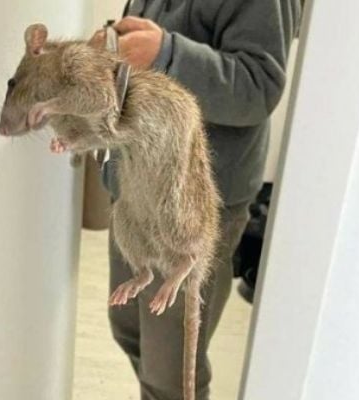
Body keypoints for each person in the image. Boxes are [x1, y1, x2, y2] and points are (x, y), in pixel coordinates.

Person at [98, 0, 301, 399]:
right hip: (139, 190)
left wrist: (166, 54)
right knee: (128, 328)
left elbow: (259, 87)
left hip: (195, 205)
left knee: (171, 366)